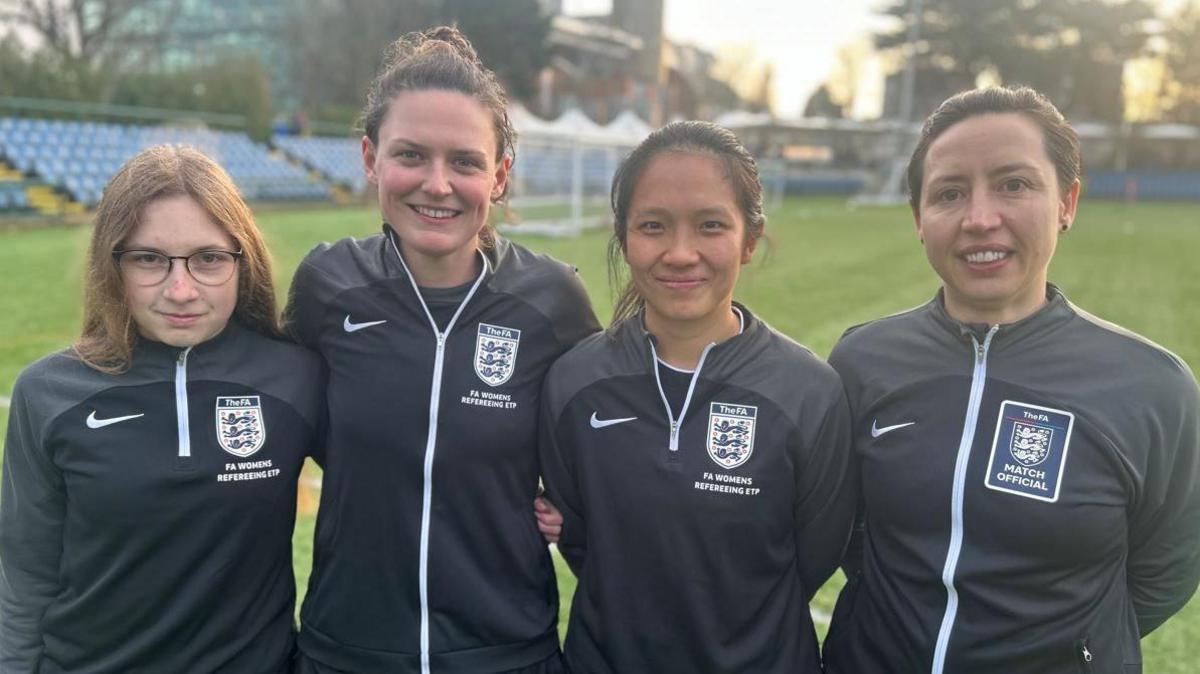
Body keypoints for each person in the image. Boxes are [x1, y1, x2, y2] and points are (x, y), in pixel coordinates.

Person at [823, 86, 1200, 673]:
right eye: (950, 193)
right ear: (920, 218)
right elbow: (845, 531)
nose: (980, 218)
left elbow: (1167, 568)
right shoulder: (862, 361)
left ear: (1066, 202)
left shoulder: (1154, 387)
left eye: (1013, 184)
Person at [284, 27, 599, 674]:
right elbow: (284, 415)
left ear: (500, 175)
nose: (437, 184)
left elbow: (606, 435)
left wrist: (573, 505)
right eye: (410, 156)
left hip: (508, 653)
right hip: (346, 651)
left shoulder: (551, 301)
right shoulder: (327, 286)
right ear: (370, 157)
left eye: (464, 161)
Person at [536, 120, 855, 673]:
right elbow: (581, 540)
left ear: (749, 240)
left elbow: (815, 554)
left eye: (710, 225)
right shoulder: (575, 382)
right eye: (654, 226)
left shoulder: (809, 391)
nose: (681, 254)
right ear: (625, 237)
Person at [0, 145, 323, 672]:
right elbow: (25, 571)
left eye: (209, 259)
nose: (180, 289)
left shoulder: (296, 377)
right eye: (149, 258)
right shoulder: (47, 393)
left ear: (244, 260)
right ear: (112, 264)